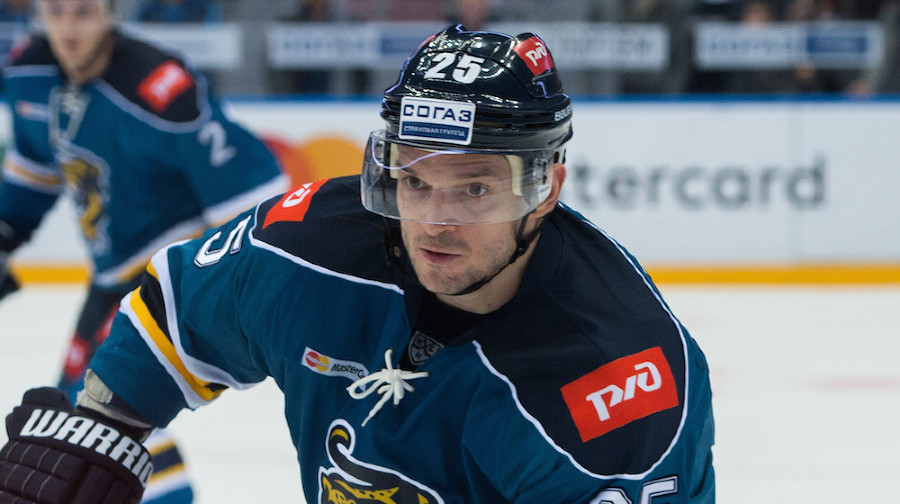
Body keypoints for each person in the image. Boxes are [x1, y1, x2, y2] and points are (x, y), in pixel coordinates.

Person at [0, 24, 715, 503]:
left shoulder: (615, 380)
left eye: (474, 189)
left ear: (546, 188)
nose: (435, 222)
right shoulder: (307, 249)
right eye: (415, 181)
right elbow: (179, 311)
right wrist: (101, 426)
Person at [0, 0, 287, 502]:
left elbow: (255, 193)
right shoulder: (29, 73)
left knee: (101, 420)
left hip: (172, 274)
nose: (68, 27)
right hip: (111, 278)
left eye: (84, 11)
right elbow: (35, 168)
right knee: (78, 421)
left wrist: (230, 286)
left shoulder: (158, 87)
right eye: (56, 11)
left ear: (110, 14)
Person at [135, 0, 222, 23]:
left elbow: (214, 35)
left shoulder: (204, 6)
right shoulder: (147, 6)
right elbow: (136, 33)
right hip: (155, 60)